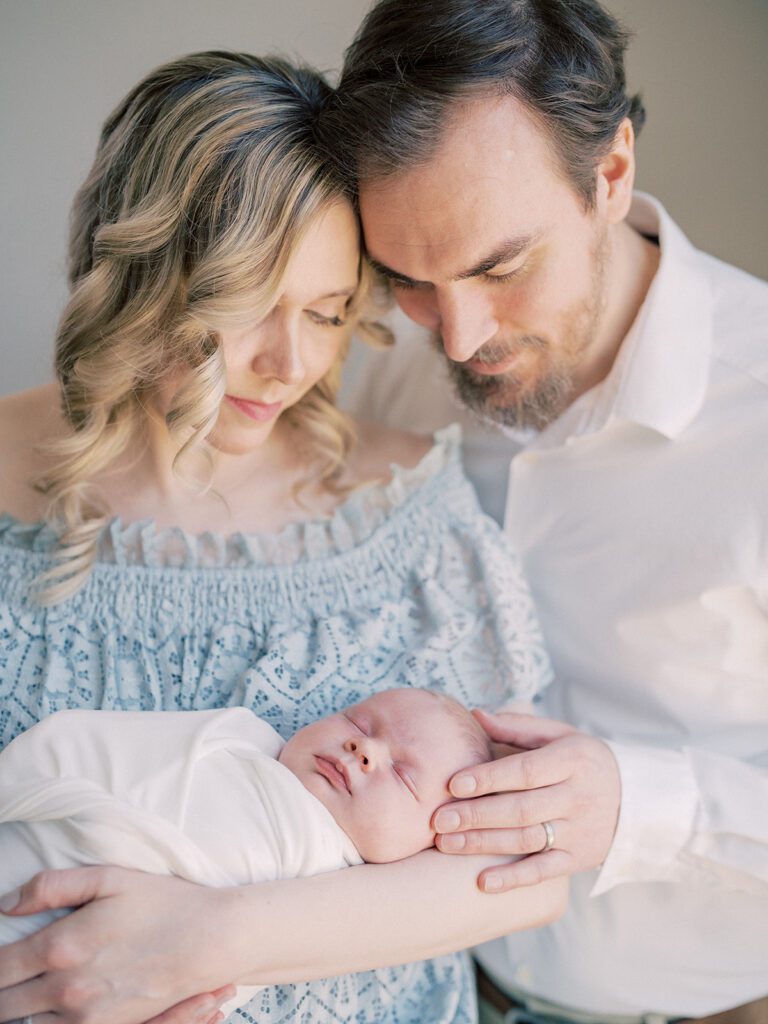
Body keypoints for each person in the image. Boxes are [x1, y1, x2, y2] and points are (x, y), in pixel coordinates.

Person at [0, 49, 565, 1024]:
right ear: (142, 274)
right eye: (248, 308)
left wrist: (201, 943)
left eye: (328, 311)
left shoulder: (405, 520)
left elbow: (522, 869)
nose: (290, 362)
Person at [327, 1, 768, 1022]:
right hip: (437, 991)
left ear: (610, 175)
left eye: (499, 265)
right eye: (410, 281)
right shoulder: (402, 382)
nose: (462, 334)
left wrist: (645, 808)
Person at [0, 688, 495, 1017]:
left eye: (404, 776)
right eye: (358, 722)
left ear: (435, 840)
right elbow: (90, 743)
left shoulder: (349, 898)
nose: (365, 750)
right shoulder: (238, 741)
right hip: (50, 859)